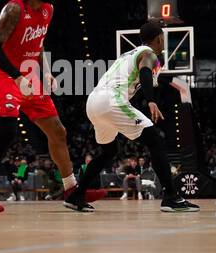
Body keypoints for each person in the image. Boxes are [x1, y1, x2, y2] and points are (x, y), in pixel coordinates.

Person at [0, 0, 105, 212]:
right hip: (5, 75)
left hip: (30, 75)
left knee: (58, 130)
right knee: (8, 131)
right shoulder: (13, 9)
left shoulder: (48, 10)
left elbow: (38, 43)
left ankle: (71, 189)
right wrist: (16, 75)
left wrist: (47, 71)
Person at [64, 21, 198, 212]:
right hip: (112, 100)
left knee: (108, 152)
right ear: (160, 38)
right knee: (155, 140)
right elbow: (145, 71)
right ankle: (171, 197)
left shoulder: (127, 54)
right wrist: (151, 100)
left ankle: (76, 196)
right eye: (163, 39)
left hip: (93, 102)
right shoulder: (148, 54)